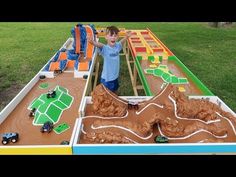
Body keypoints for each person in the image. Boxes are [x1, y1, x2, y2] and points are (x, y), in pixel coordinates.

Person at [87, 26, 131, 93]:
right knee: (106, 95)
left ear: (117, 37)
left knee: (114, 91)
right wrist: (92, 42)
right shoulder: (105, 48)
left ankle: (115, 96)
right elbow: (99, 45)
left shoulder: (117, 46)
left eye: (115, 35)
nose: (113, 37)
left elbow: (121, 42)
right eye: (111, 35)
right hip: (107, 79)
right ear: (106, 37)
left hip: (115, 76)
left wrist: (126, 37)